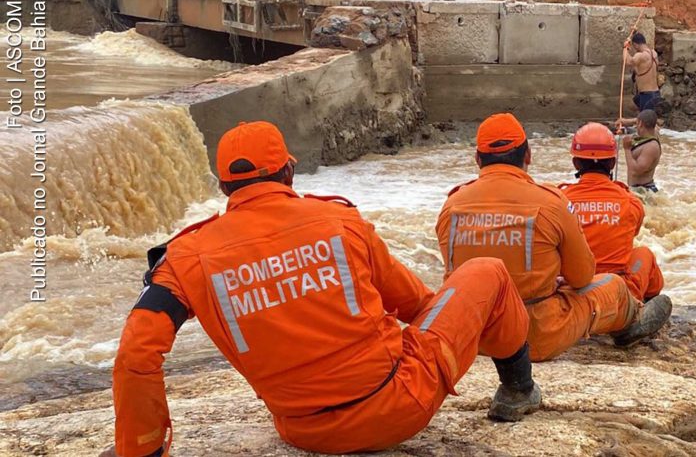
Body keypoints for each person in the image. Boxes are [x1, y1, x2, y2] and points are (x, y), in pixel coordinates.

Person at [103, 121, 540, 457]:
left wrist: (140, 447)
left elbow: (135, 355)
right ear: (289, 172)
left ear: (222, 188)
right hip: (399, 405)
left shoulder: (184, 258)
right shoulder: (339, 221)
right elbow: (416, 304)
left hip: (303, 430)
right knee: (487, 270)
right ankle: (518, 390)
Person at [435, 113, 672, 362]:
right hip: (534, 335)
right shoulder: (551, 202)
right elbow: (581, 276)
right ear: (528, 156)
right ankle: (632, 322)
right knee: (612, 286)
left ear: (477, 159)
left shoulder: (452, 205)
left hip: (472, 333)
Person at [559, 123, 666, 302]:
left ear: (576, 162)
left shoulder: (559, 200)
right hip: (617, 295)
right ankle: (642, 309)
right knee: (643, 254)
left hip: (571, 294)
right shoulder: (631, 202)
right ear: (613, 163)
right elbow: (632, 231)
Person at [621, 110, 662, 194]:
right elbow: (650, 119)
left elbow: (636, 171)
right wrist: (625, 123)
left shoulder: (651, 146)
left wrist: (627, 149)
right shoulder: (653, 133)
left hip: (643, 191)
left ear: (640, 123)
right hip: (638, 189)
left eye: (636, 124)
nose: (635, 126)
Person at [624, 32, 662, 113]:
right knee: (633, 105)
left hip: (647, 94)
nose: (634, 48)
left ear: (635, 44)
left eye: (634, 46)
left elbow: (628, 62)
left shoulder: (641, 56)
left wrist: (625, 48)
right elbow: (641, 66)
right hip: (655, 93)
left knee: (646, 121)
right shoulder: (654, 53)